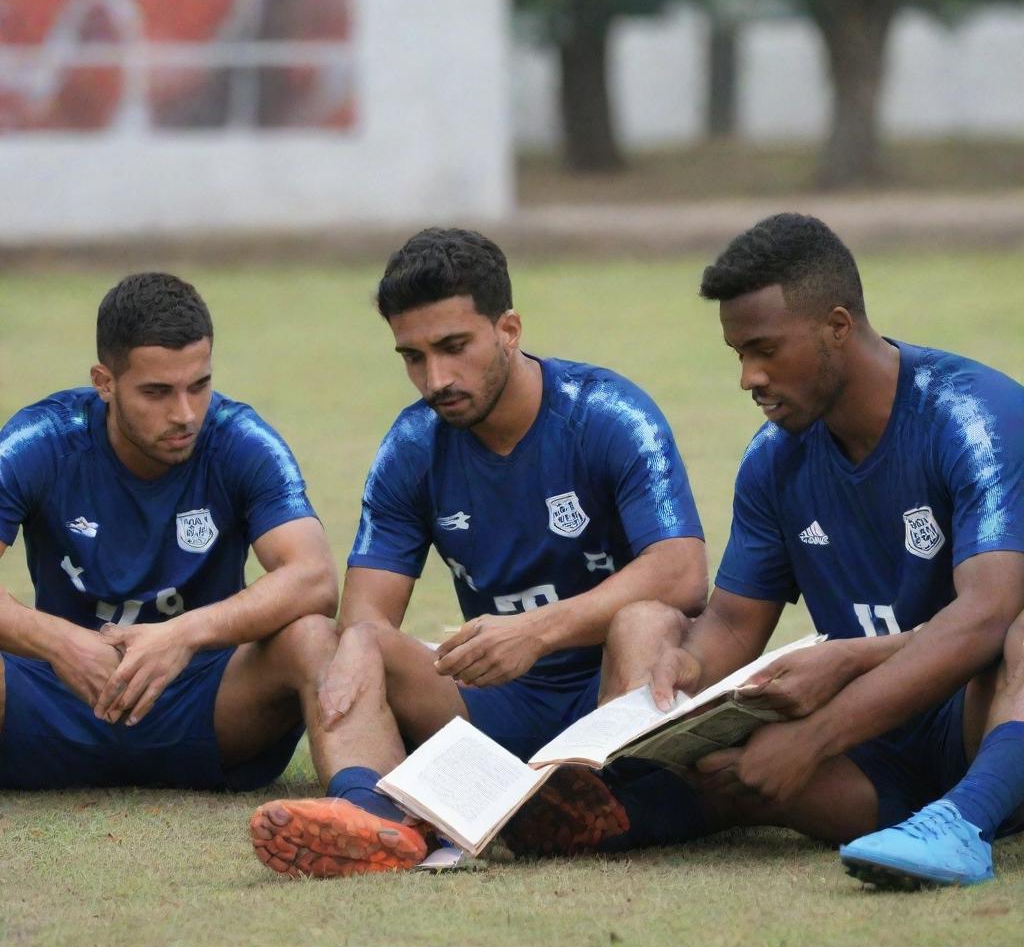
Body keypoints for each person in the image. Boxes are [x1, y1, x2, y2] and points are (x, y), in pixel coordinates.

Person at [503, 213, 1024, 888]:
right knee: (671, 673)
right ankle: (596, 812)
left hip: (977, 722)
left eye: (765, 349)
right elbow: (731, 624)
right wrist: (682, 669)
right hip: (871, 756)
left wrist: (817, 734)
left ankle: (965, 822)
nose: (749, 376)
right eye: (738, 355)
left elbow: (987, 615)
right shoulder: (774, 461)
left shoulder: (973, 416)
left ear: (838, 326)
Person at [250, 226, 708, 877]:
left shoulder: (607, 415)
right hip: (496, 701)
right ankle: (374, 821)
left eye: (454, 347)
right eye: (413, 357)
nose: (435, 378)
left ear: (509, 330)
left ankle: (611, 802)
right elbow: (367, 616)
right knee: (348, 642)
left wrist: (535, 632)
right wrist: (362, 641)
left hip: (610, 691)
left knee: (650, 618)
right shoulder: (412, 448)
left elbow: (683, 573)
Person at [0, 273, 358, 824]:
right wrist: (59, 642)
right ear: (104, 381)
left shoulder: (240, 440)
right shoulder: (41, 441)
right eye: (157, 392)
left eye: (199, 385)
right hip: (58, 697)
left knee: (314, 636)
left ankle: (362, 810)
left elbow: (314, 577)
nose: (186, 413)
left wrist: (183, 636)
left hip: (205, 703)